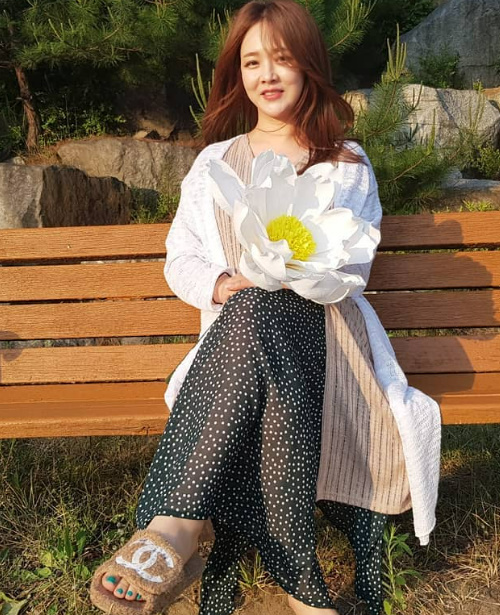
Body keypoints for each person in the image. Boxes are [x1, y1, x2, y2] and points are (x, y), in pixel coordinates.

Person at [90, 1, 441, 614]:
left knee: (266, 302)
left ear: (308, 67)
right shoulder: (214, 164)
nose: (267, 75)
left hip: (330, 343)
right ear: (237, 73)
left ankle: (176, 523)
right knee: (254, 308)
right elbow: (181, 257)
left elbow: (353, 268)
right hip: (239, 345)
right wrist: (222, 284)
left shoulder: (345, 163)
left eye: (282, 59)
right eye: (252, 62)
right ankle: (304, 592)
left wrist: (279, 276)